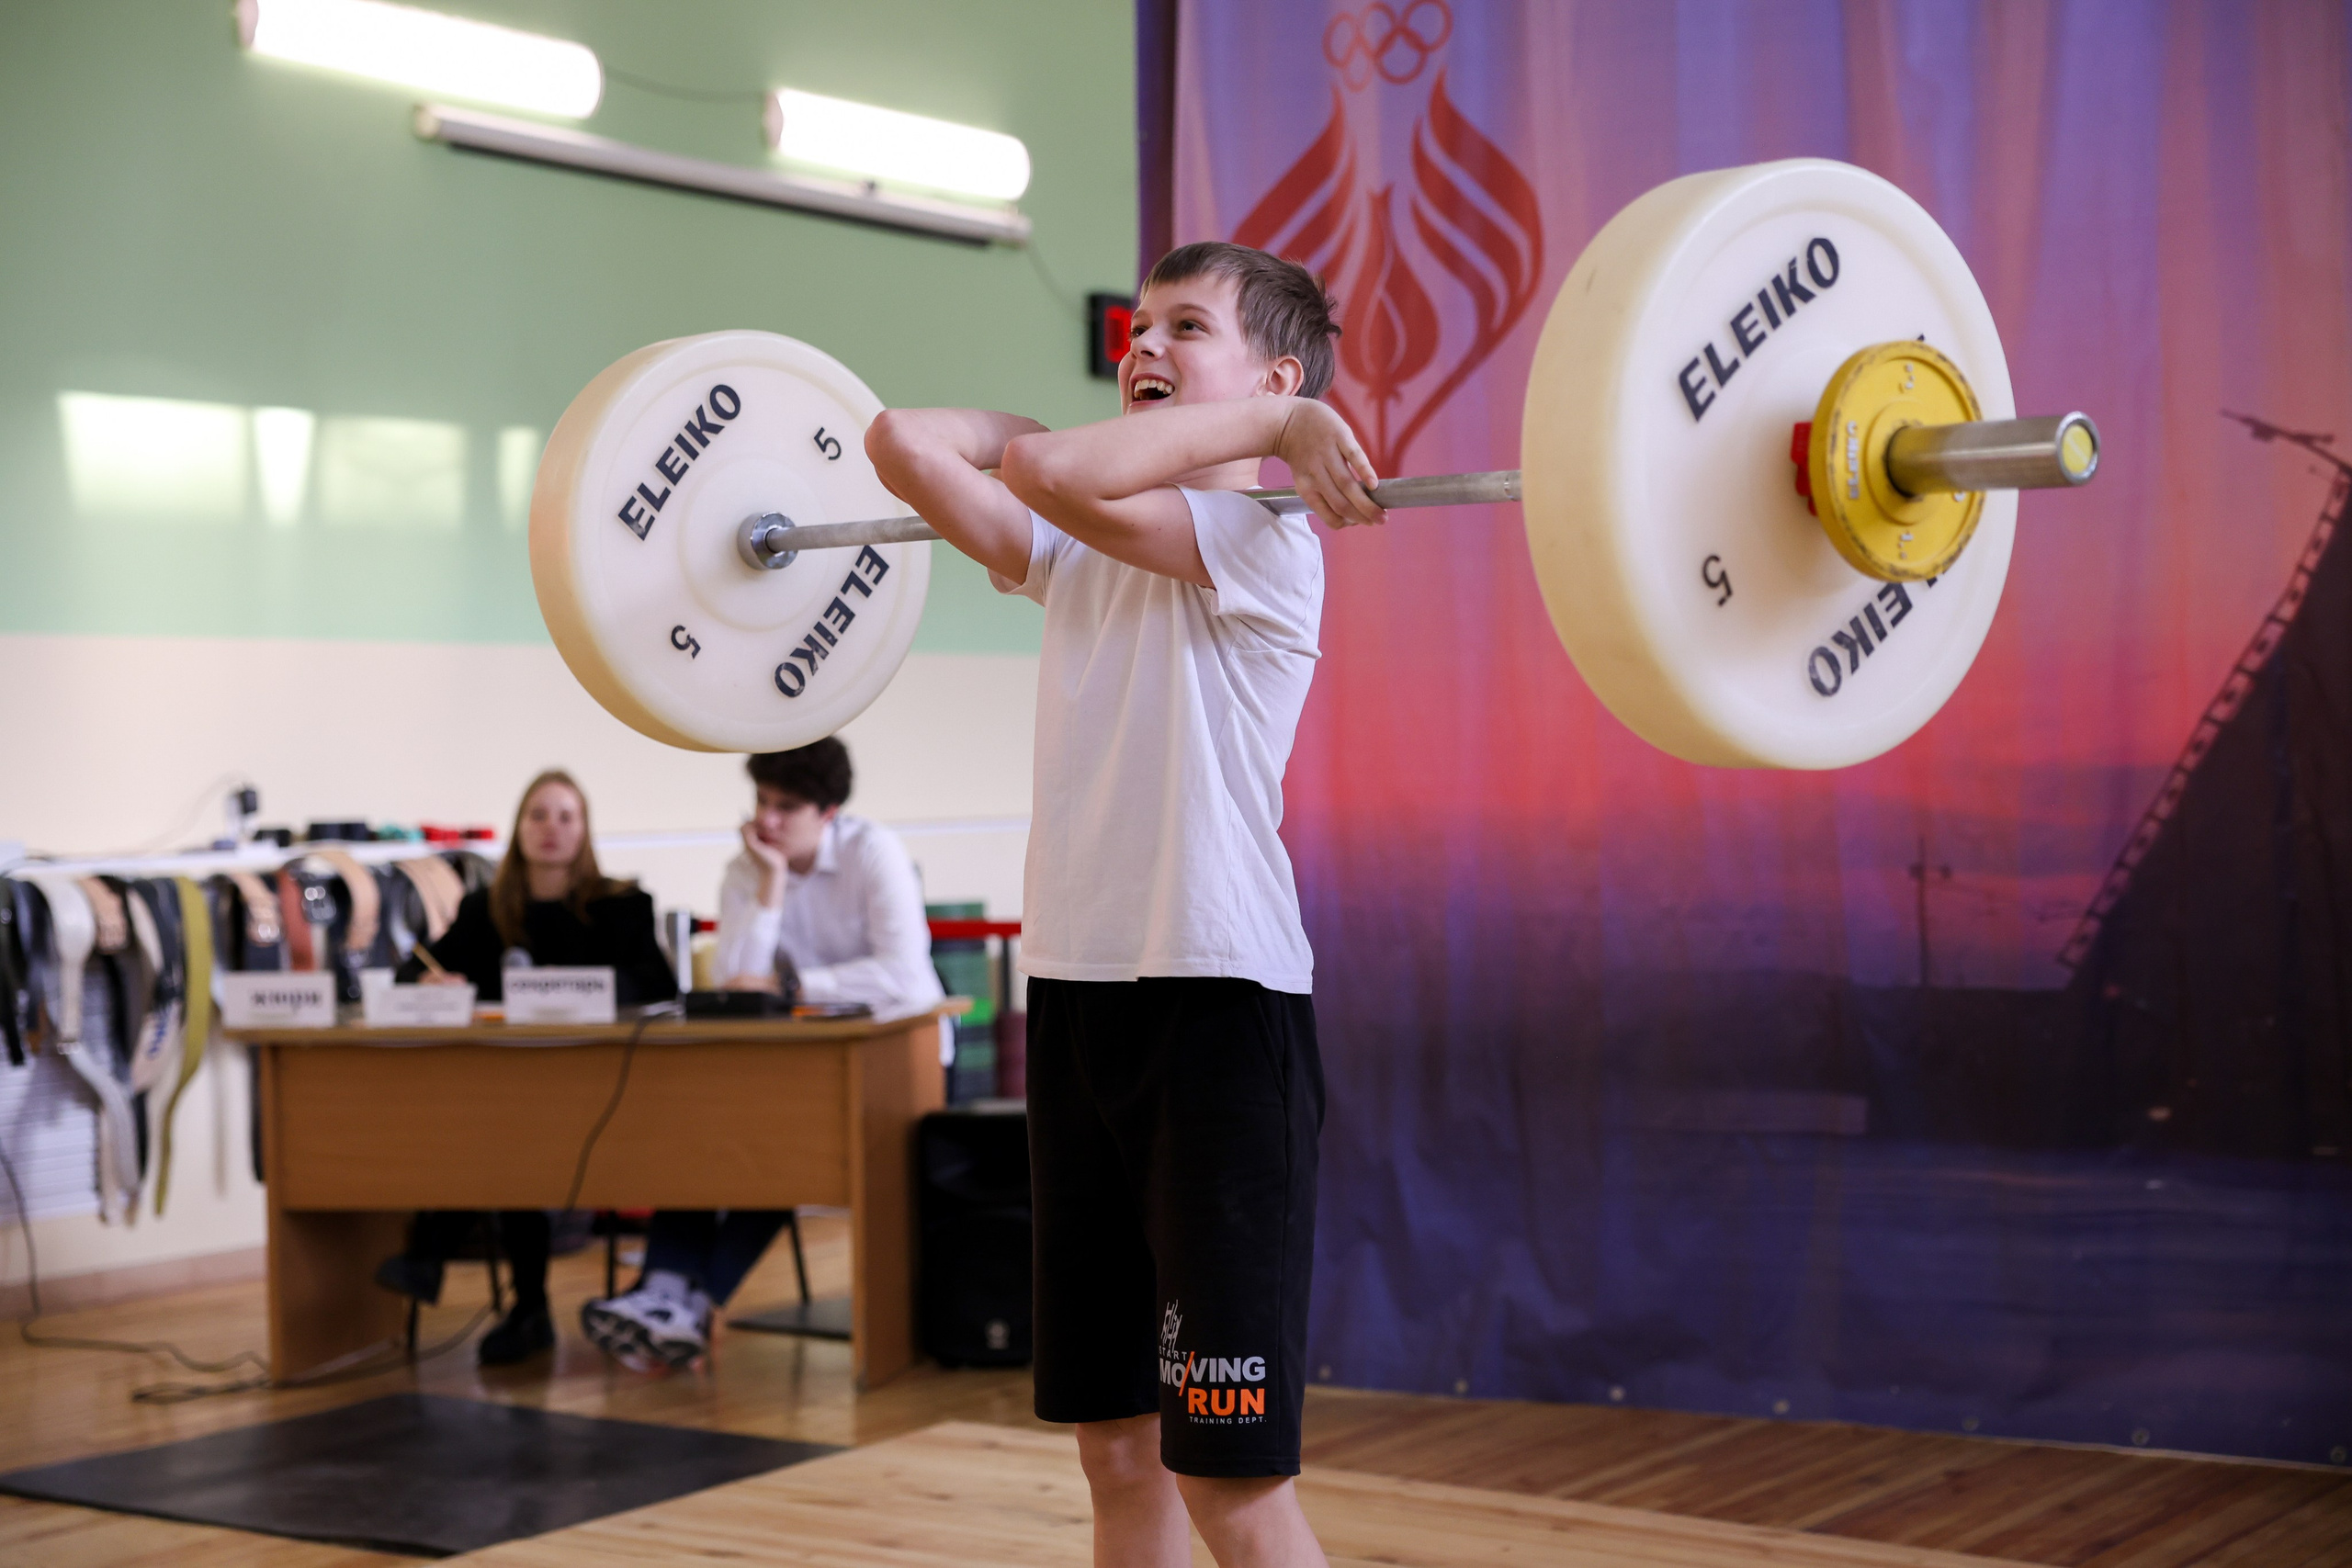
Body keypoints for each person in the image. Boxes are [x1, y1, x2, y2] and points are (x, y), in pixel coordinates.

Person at [865, 242, 1374, 1568]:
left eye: (1184, 327)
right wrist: (1040, 433)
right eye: (1137, 327)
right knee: (1113, 1449)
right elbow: (902, 441)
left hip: (1221, 1014)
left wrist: (1275, 430)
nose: (1143, 346)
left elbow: (1053, 474)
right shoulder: (1078, 550)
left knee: (1229, 1475)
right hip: (1082, 1002)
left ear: (1269, 374)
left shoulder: (1268, 541)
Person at [579, 739, 941, 1369]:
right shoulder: (749, 867)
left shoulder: (872, 851)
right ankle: (671, 1293)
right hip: (798, 1062)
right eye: (762, 801)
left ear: (827, 811)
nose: (767, 820)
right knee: (709, 1138)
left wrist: (796, 987)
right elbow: (737, 980)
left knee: (786, 1154)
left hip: (899, 1060)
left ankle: (679, 1301)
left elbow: (903, 975)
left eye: (787, 807)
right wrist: (772, 883)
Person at [378, 768, 677, 1366]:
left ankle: (448, 1258)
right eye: (538, 814)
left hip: (600, 1091)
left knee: (506, 1140)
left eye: (566, 816)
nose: (551, 829)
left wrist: (585, 990)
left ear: (585, 829)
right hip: (506, 1094)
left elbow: (658, 986)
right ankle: (523, 1306)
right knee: (502, 1135)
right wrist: (433, 979)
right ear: (519, 827)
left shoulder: (621, 905)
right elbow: (413, 971)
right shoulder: (485, 908)